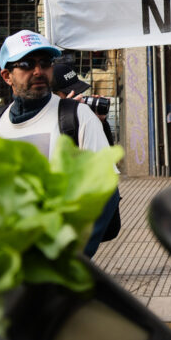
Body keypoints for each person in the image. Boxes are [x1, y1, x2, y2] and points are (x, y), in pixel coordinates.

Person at [0, 30, 118, 258]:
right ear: (7, 76)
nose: (38, 71)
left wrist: (72, 258)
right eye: (26, 64)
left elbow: (106, 191)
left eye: (45, 63)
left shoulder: (77, 116)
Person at [52, 60, 123, 251]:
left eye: (79, 91)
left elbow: (106, 157)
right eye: (69, 93)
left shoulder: (80, 117)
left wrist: (99, 122)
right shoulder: (46, 121)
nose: (81, 97)